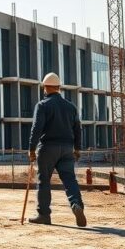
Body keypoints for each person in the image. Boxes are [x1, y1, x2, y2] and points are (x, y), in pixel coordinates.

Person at [27, 73, 86, 227]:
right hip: (67, 149)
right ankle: (76, 204)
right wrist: (77, 149)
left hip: (48, 148)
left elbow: (36, 129)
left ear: (45, 88)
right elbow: (78, 129)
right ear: (59, 87)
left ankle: (43, 215)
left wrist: (31, 149)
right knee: (69, 179)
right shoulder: (71, 107)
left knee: (44, 180)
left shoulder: (42, 105)